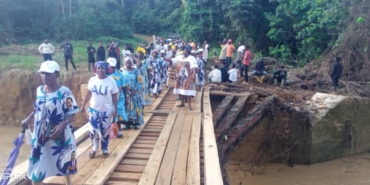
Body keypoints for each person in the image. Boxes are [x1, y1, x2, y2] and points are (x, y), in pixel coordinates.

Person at [21, 61, 79, 185]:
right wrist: (28, 119)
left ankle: (68, 182)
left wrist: (62, 125)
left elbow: (72, 113)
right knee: (38, 162)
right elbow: (37, 108)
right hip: (41, 134)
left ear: (57, 74)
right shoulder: (40, 90)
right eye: (42, 73)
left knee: (64, 160)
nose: (44, 76)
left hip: (59, 132)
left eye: (48, 73)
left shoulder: (65, 92)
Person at [81, 61, 118, 158]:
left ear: (106, 69)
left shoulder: (111, 81)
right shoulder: (92, 80)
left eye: (102, 68)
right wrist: (83, 105)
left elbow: (115, 97)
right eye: (98, 68)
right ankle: (94, 149)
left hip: (107, 111)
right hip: (94, 110)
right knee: (93, 131)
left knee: (105, 132)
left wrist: (115, 110)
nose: (100, 70)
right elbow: (88, 94)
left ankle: (105, 149)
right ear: (96, 69)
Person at [121, 57, 144, 130]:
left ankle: (135, 123)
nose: (128, 64)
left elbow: (139, 81)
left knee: (134, 107)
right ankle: (127, 124)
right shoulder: (121, 71)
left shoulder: (136, 71)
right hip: (125, 93)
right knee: (126, 108)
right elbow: (120, 81)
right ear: (124, 63)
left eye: (129, 62)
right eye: (126, 62)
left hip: (134, 92)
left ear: (132, 63)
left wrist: (136, 90)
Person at [107, 57, 128, 138]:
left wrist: (126, 98)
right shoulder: (104, 74)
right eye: (110, 66)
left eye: (113, 67)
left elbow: (124, 87)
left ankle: (119, 129)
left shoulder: (119, 74)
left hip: (119, 97)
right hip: (108, 97)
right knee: (109, 113)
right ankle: (110, 130)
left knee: (118, 112)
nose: (111, 68)